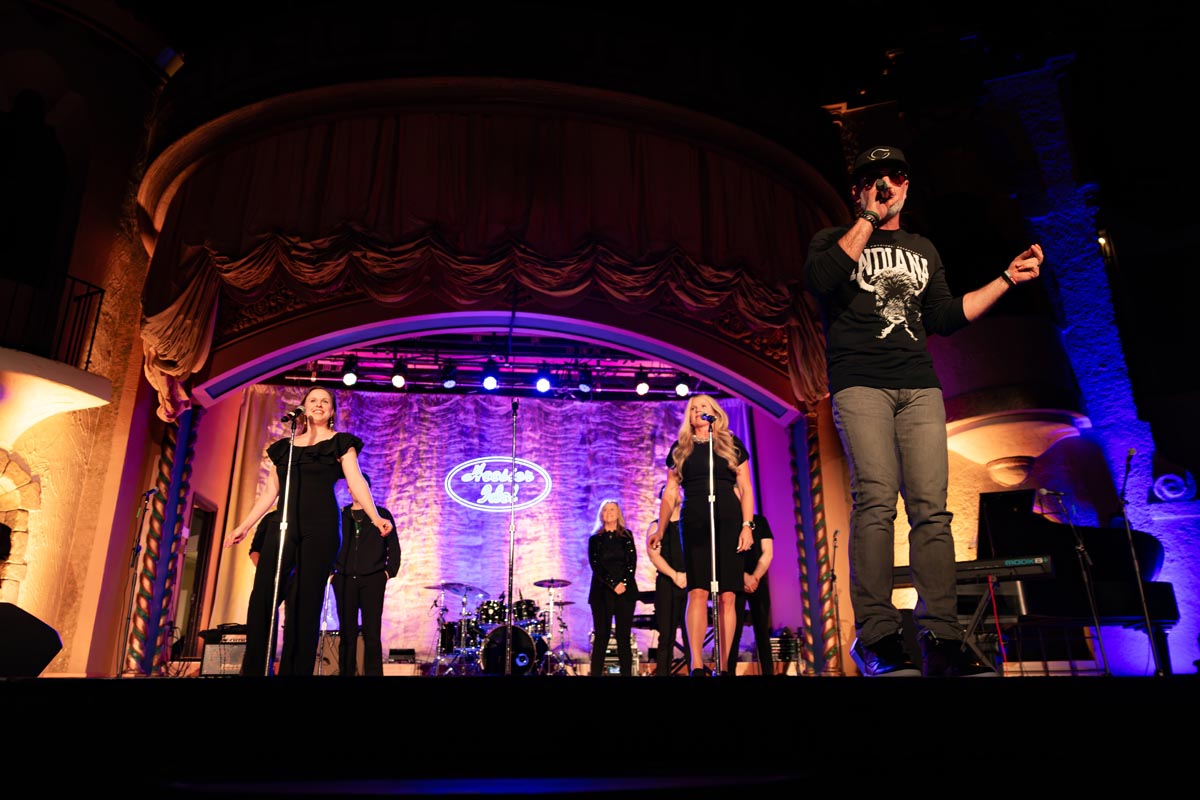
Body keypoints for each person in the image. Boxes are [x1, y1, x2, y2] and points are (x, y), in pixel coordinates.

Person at [803, 145, 1043, 677]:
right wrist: (869, 218)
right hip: (860, 384)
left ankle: (943, 636)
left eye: (895, 176)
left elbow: (945, 316)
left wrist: (1006, 279)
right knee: (876, 501)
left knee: (932, 512)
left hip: (919, 388)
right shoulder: (832, 240)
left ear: (907, 185)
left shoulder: (923, 249)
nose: (885, 183)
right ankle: (877, 635)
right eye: (873, 178)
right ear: (858, 190)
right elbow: (821, 280)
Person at [224, 386, 393, 676]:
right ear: (302, 408)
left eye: (325, 401)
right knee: (263, 595)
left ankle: (296, 671)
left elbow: (356, 482)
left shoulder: (341, 443)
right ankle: (254, 670)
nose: (319, 404)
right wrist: (244, 526)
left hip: (321, 528)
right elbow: (270, 493)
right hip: (284, 525)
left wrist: (375, 517)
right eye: (313, 400)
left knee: (305, 601)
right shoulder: (284, 447)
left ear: (332, 411)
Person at [648, 394, 754, 677]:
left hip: (728, 519)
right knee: (697, 590)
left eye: (703, 407)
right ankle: (696, 664)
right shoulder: (681, 448)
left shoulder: (731, 444)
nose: (697, 411)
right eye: (693, 408)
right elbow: (671, 492)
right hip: (694, 519)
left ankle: (724, 665)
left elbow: (745, 488)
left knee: (728, 594)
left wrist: (747, 525)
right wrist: (660, 528)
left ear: (714, 412)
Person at [331, 474, 400, 677]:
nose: (356, 491)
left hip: (373, 579)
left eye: (361, 487)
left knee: (372, 633)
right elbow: (330, 544)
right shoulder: (341, 515)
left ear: (368, 490)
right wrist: (332, 573)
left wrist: (387, 573)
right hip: (344, 580)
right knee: (347, 633)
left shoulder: (381, 515)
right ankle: (346, 673)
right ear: (349, 490)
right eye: (352, 487)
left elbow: (394, 547)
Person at [587, 499, 639, 676]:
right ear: (601, 515)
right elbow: (596, 565)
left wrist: (623, 583)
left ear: (618, 514)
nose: (609, 513)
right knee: (602, 636)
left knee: (623, 637)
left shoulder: (627, 536)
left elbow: (632, 563)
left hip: (625, 592)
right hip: (601, 592)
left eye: (612, 510)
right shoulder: (595, 539)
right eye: (605, 510)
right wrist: (612, 583)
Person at [725, 512, 775, 676]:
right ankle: (729, 672)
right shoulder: (728, 521)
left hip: (757, 581)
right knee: (733, 633)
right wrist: (743, 577)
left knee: (762, 632)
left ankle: (768, 672)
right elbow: (723, 556)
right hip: (735, 582)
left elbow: (768, 553)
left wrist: (754, 577)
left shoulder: (760, 521)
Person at [646, 484, 688, 676]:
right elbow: (654, 556)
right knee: (666, 636)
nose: (674, 494)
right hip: (667, 583)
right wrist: (675, 575)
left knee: (691, 635)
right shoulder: (656, 527)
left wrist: (688, 576)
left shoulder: (689, 523)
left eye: (677, 490)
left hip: (690, 583)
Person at [240, 508, 285, 676]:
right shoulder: (270, 518)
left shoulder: (304, 518)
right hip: (268, 575)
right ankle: (256, 667)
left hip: (292, 575)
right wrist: (265, 571)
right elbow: (255, 550)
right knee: (260, 616)